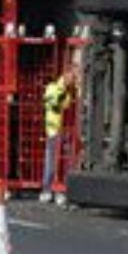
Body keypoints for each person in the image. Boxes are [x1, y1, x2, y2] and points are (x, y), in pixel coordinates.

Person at [40, 70, 74, 205]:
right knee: (51, 162)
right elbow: (53, 105)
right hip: (54, 131)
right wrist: (64, 92)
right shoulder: (53, 88)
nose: (73, 80)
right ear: (65, 77)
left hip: (65, 131)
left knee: (64, 163)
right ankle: (47, 189)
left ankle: (59, 190)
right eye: (72, 77)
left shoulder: (69, 92)